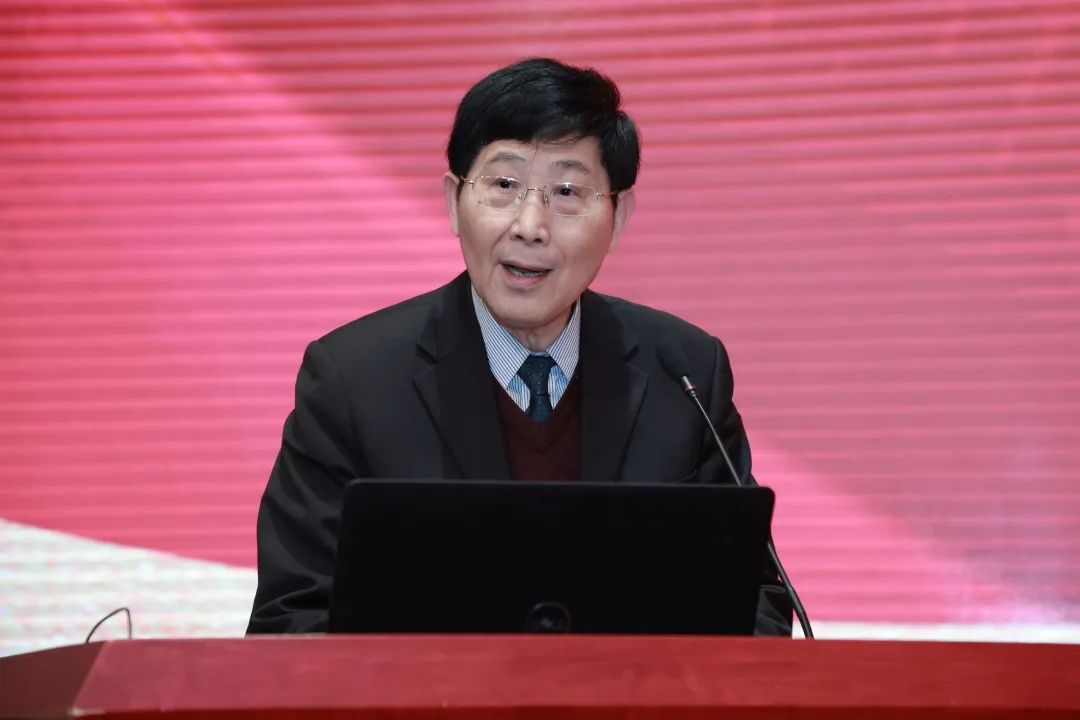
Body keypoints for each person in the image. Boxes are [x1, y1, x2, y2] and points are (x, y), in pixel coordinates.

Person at [247, 58, 792, 636]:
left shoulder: (685, 374)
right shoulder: (352, 380)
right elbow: (292, 619)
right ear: (453, 201)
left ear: (618, 218)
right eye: (504, 186)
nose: (530, 225)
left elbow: (754, 605)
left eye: (567, 192)